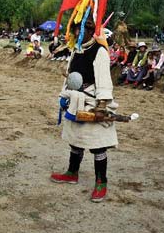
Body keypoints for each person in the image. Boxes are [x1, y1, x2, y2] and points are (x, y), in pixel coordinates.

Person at [51, 16, 118, 202]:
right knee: (75, 140)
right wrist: (64, 96)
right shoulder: (76, 50)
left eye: (85, 29)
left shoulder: (100, 51)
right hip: (76, 100)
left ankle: (101, 182)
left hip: (93, 101)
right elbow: (70, 76)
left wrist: (102, 105)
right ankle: (72, 173)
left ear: (91, 30)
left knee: (98, 145)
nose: (80, 32)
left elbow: (104, 80)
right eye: (77, 29)